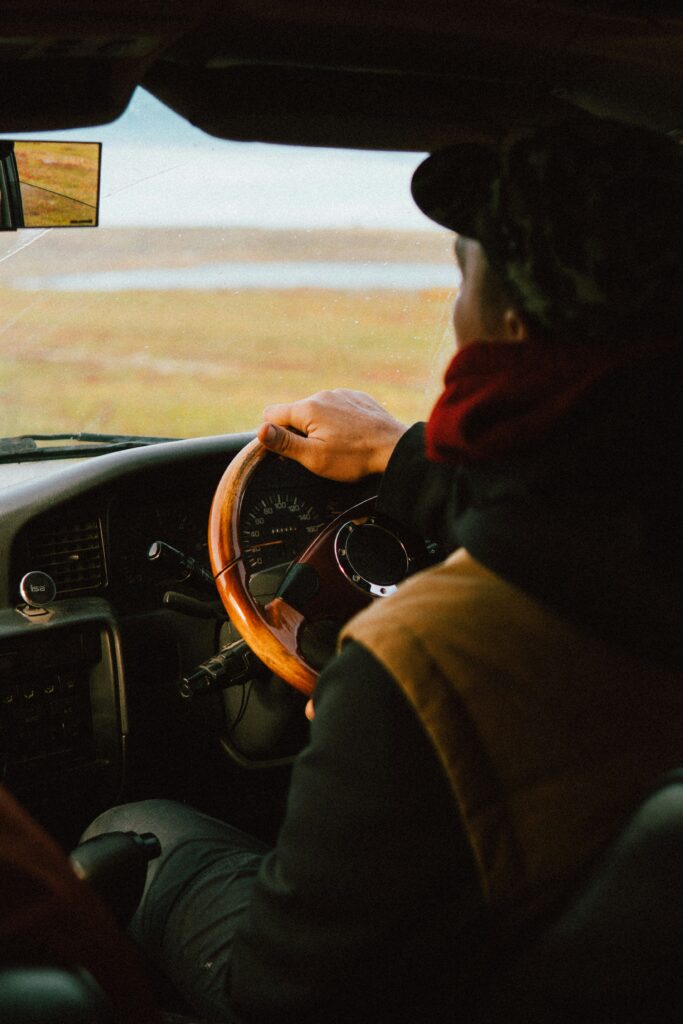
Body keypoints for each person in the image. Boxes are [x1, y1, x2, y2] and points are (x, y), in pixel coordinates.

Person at [82, 117, 683, 1023]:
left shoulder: (421, 659)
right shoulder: (636, 521)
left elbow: (287, 994)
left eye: (462, 278)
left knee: (135, 830)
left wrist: (369, 709)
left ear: (508, 323)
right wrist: (398, 455)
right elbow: (579, 513)